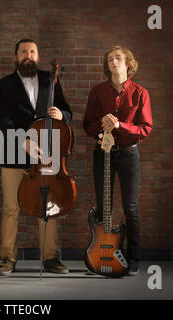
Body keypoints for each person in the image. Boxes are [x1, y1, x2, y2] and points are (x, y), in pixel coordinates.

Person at [0, 39, 73, 275]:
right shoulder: (3, 85)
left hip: (46, 157)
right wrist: (23, 141)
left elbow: (67, 110)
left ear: (37, 56)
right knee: (10, 209)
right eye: (23, 51)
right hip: (13, 156)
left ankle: (50, 258)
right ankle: (7, 259)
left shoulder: (52, 80)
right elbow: (3, 120)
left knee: (46, 208)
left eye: (32, 51)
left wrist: (62, 114)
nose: (27, 55)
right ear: (16, 55)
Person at [83, 45, 153, 276]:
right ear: (107, 65)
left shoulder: (140, 93)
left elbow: (145, 128)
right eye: (110, 59)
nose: (114, 61)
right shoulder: (97, 91)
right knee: (104, 208)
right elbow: (88, 125)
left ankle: (133, 260)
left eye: (119, 58)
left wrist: (120, 125)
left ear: (128, 63)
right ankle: (105, 255)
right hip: (102, 153)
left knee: (131, 208)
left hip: (128, 154)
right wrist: (101, 124)